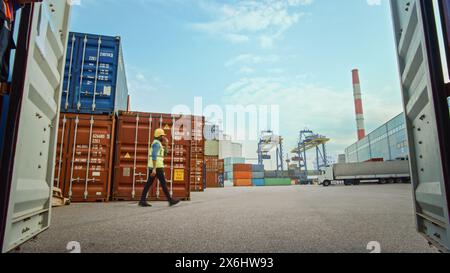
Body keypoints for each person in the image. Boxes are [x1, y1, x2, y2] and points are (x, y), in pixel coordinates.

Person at [139, 128, 180, 207]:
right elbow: (154, 156)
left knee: (149, 184)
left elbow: (165, 154)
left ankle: (142, 200)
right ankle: (170, 200)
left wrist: (167, 143)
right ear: (159, 136)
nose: (164, 137)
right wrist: (154, 169)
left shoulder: (159, 144)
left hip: (157, 167)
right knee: (163, 183)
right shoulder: (156, 144)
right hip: (156, 167)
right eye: (162, 136)